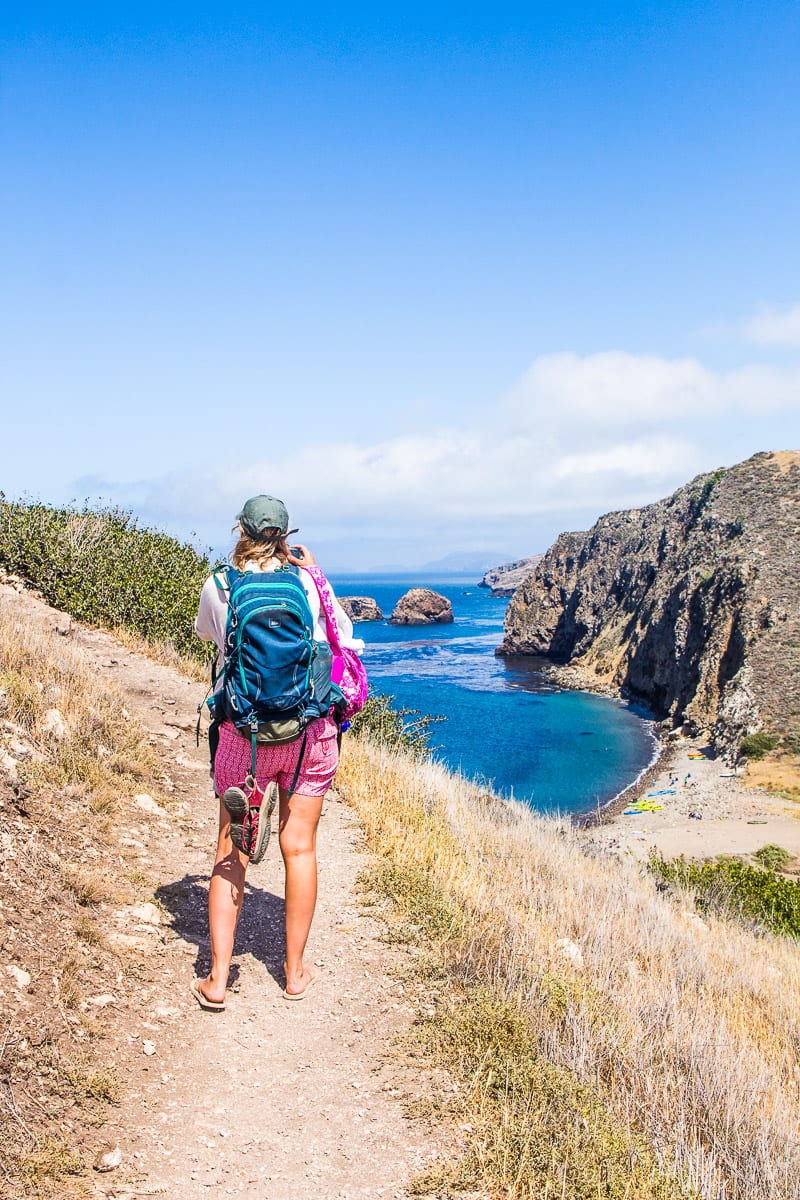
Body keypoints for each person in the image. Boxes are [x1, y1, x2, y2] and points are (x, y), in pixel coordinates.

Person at [191, 495, 364, 1009]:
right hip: (310, 732)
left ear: (238, 528)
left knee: (230, 850)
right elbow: (343, 639)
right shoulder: (308, 581)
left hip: (244, 737)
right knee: (301, 846)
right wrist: (317, 575)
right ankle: (293, 972)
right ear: (288, 534)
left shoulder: (221, 584)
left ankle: (218, 979)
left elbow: (210, 637)